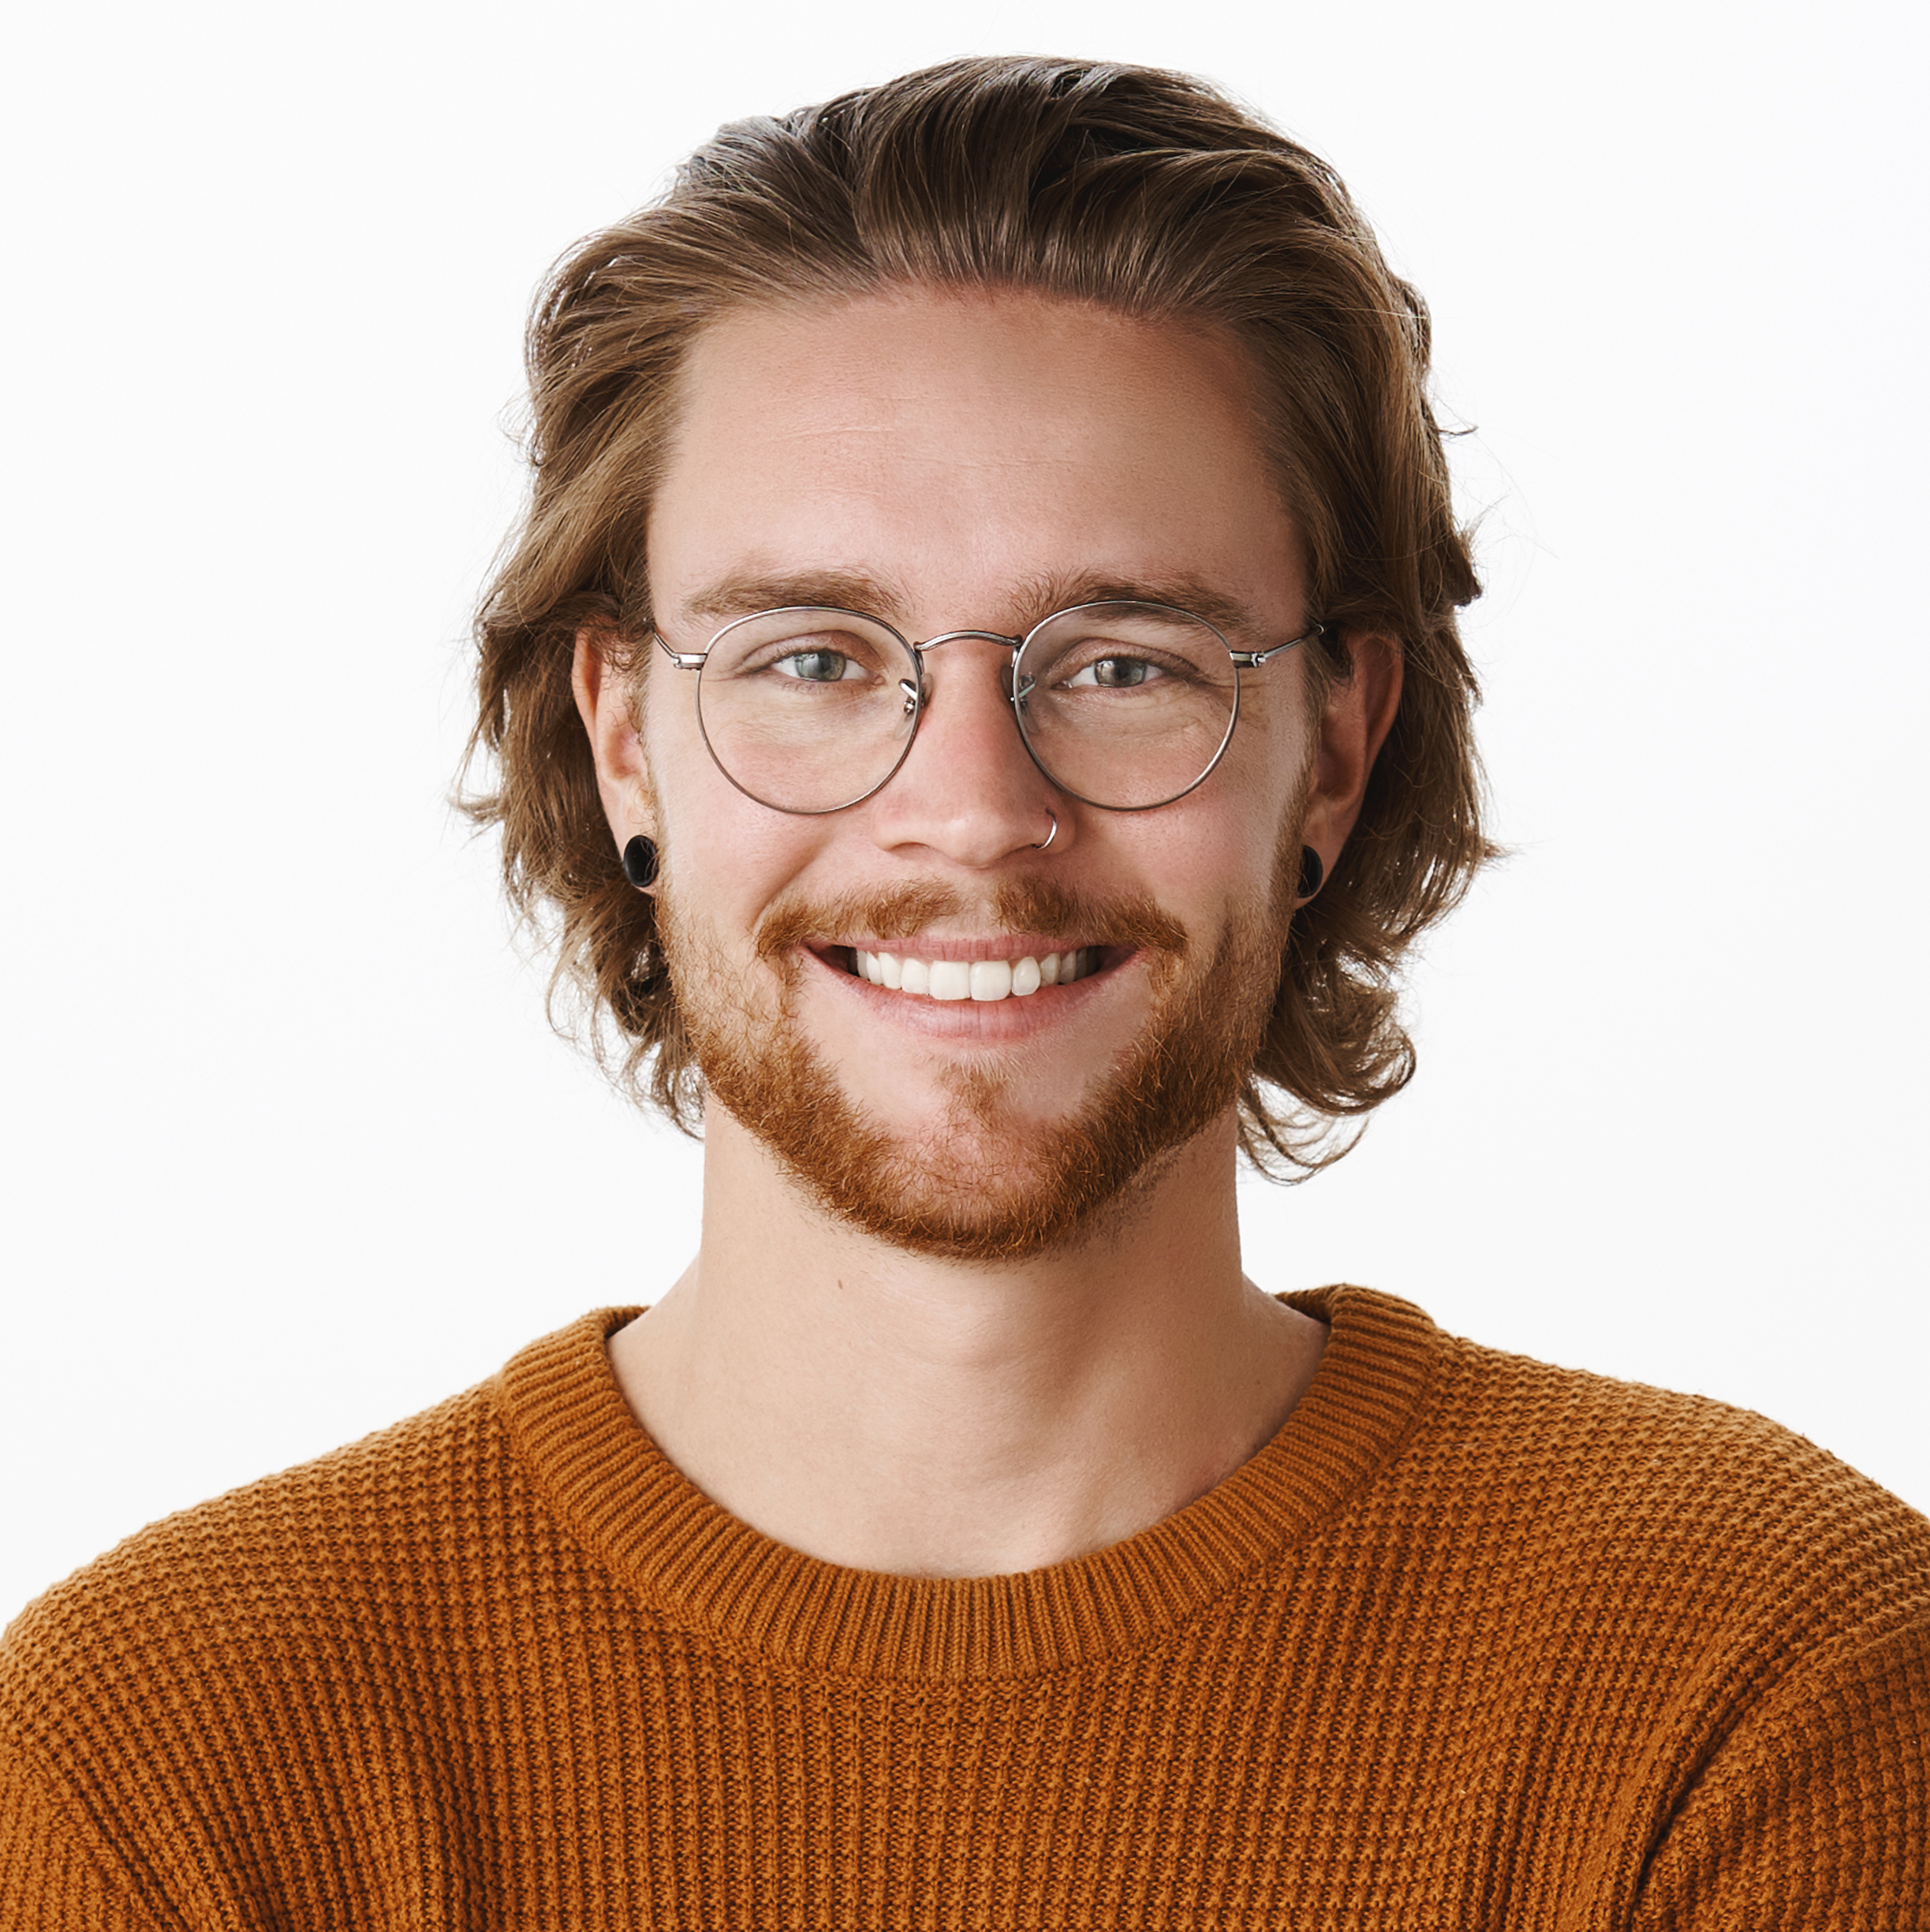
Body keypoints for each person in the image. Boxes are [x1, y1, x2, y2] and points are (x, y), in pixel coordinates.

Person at [2, 54, 1924, 1929]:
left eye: (1123, 662)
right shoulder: (166, 1767)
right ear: (623, 742)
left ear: (1336, 748)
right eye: (815, 659)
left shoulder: (1764, 1677)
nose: (973, 816)